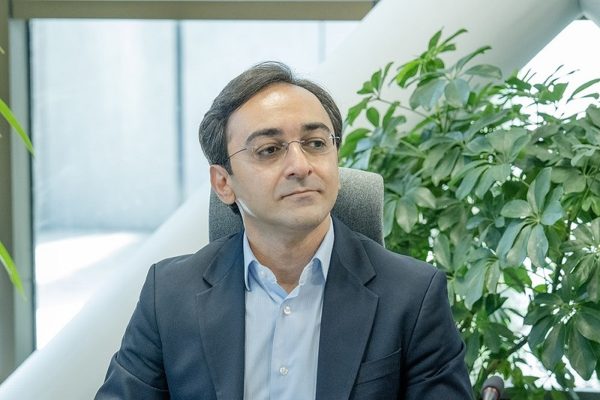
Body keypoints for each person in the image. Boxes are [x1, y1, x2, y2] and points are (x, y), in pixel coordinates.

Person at [96, 61, 473, 400]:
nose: (300, 165)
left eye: (316, 143)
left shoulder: (412, 296)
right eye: (270, 150)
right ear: (223, 183)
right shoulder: (169, 294)